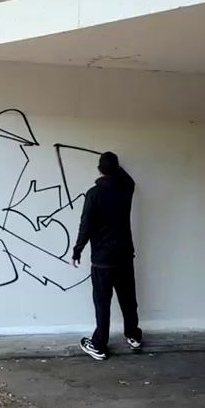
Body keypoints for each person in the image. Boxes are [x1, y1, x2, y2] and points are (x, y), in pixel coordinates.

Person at [71, 151, 143, 360]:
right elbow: (129, 180)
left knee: (102, 304)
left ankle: (100, 345)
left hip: (102, 260)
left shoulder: (93, 194)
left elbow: (86, 225)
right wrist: (116, 168)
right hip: (124, 256)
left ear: (99, 169)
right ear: (117, 168)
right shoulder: (125, 190)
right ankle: (133, 336)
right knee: (128, 300)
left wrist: (77, 250)